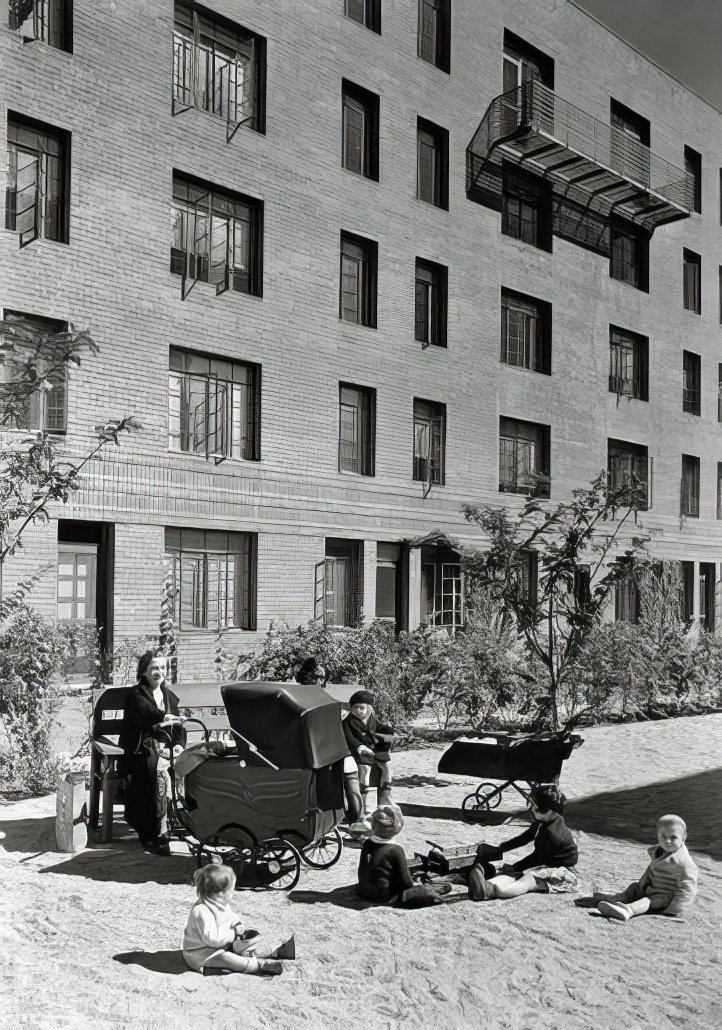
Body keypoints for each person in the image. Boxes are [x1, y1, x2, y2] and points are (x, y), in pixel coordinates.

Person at [117, 651, 186, 855]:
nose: (159, 672)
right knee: (154, 771)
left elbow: (179, 726)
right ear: (145, 672)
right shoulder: (137, 695)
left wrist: (179, 744)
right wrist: (166, 717)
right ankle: (154, 832)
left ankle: (179, 822)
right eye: (154, 668)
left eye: (163, 668)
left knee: (189, 763)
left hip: (165, 748)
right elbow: (145, 718)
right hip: (140, 749)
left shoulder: (168, 695)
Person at [468, 783, 578, 901]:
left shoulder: (551, 834)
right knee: (517, 873)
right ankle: (487, 882)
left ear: (549, 811)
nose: (531, 809)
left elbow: (536, 858)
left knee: (528, 881)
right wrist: (501, 848)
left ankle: (489, 891)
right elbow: (525, 837)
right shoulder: (545, 820)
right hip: (547, 861)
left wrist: (516, 867)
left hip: (561, 871)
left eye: (535, 807)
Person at [183, 864, 296, 976]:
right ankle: (259, 966)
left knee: (249, 945)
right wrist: (232, 935)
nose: (229, 894)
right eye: (226, 891)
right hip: (200, 954)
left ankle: (276, 951)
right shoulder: (201, 911)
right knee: (227, 958)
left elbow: (231, 916)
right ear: (213, 893)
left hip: (222, 945)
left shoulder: (220, 904)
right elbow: (211, 939)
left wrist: (237, 924)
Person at [594, 814, 698, 922]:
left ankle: (628, 910)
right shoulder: (659, 853)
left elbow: (688, 888)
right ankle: (615, 900)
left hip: (665, 896)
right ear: (658, 836)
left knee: (648, 900)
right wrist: (641, 886)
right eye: (663, 836)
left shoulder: (684, 862)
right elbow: (650, 872)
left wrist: (674, 909)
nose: (667, 841)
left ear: (683, 838)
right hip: (650, 888)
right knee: (633, 888)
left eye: (673, 837)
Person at [356, 805, 451, 909]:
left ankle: (431, 889)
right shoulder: (396, 850)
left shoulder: (367, 843)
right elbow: (407, 883)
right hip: (385, 896)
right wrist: (414, 883)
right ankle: (432, 892)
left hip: (364, 890)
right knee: (418, 890)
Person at [342, 689, 394, 828]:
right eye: (355, 707)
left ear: (368, 707)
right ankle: (359, 811)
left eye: (362, 707)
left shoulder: (372, 718)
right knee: (362, 781)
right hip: (360, 754)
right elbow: (349, 738)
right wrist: (359, 747)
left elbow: (382, 730)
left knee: (386, 776)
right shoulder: (348, 721)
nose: (359, 711)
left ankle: (384, 807)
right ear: (351, 708)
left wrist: (387, 734)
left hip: (376, 753)